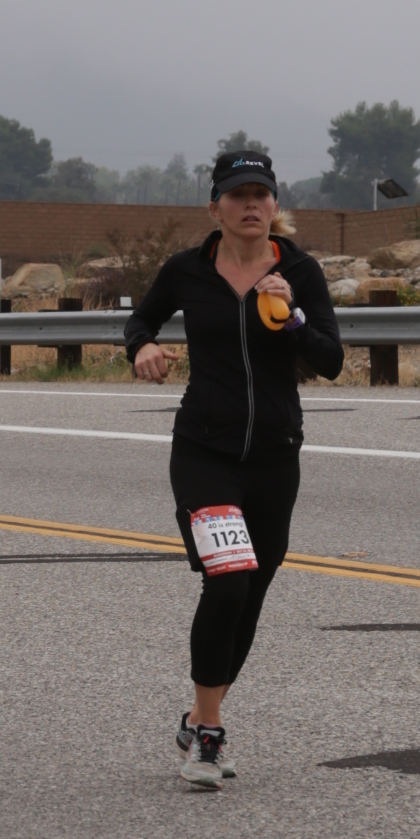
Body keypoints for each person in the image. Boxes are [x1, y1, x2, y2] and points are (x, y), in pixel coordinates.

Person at [125, 148, 342, 788]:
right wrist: (142, 347)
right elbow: (141, 318)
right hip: (205, 451)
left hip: (275, 456)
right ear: (214, 207)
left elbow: (330, 360)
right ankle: (211, 737)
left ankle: (198, 716)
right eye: (238, 194)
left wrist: (293, 317)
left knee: (251, 593)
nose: (251, 205)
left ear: (275, 205)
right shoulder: (188, 269)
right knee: (227, 582)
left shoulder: (299, 271)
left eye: (261, 194)